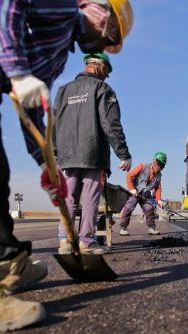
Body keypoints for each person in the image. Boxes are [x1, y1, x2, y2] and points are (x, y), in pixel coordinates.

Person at [0, 0, 133, 331]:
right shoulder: (62, 5)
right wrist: (17, 71)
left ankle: (9, 259)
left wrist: (46, 162)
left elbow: (32, 108)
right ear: (95, 7)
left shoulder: (57, 54)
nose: (103, 43)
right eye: (109, 30)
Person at [53, 52, 132, 255]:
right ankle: (86, 242)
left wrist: (55, 153)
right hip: (92, 153)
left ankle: (65, 241)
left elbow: (54, 125)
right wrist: (123, 153)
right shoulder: (102, 89)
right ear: (100, 67)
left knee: (69, 197)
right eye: (106, 72)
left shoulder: (63, 91)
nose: (106, 77)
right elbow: (111, 124)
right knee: (90, 199)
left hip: (67, 155)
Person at [120, 152, 167, 236]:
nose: (160, 167)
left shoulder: (159, 175)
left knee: (149, 209)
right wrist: (131, 189)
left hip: (145, 194)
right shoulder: (142, 166)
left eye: (162, 165)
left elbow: (158, 188)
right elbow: (129, 176)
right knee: (128, 208)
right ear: (154, 161)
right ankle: (123, 228)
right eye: (159, 164)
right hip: (135, 192)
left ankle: (151, 228)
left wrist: (159, 200)